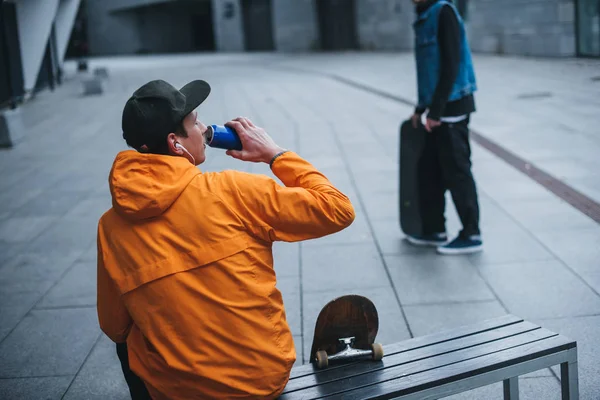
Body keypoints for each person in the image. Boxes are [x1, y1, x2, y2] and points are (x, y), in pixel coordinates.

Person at [96, 79, 356, 399]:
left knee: (130, 341)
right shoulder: (232, 191)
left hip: (176, 390)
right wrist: (275, 154)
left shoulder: (110, 226)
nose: (204, 128)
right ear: (176, 143)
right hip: (260, 381)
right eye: (194, 122)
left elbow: (113, 325)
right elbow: (337, 209)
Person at [406, 0, 483, 254]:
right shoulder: (424, 15)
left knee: (457, 171)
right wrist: (421, 108)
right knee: (430, 171)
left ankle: (471, 233)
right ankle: (435, 229)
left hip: (453, 107)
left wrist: (436, 110)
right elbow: (428, 70)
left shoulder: (444, 12)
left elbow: (451, 64)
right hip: (437, 108)